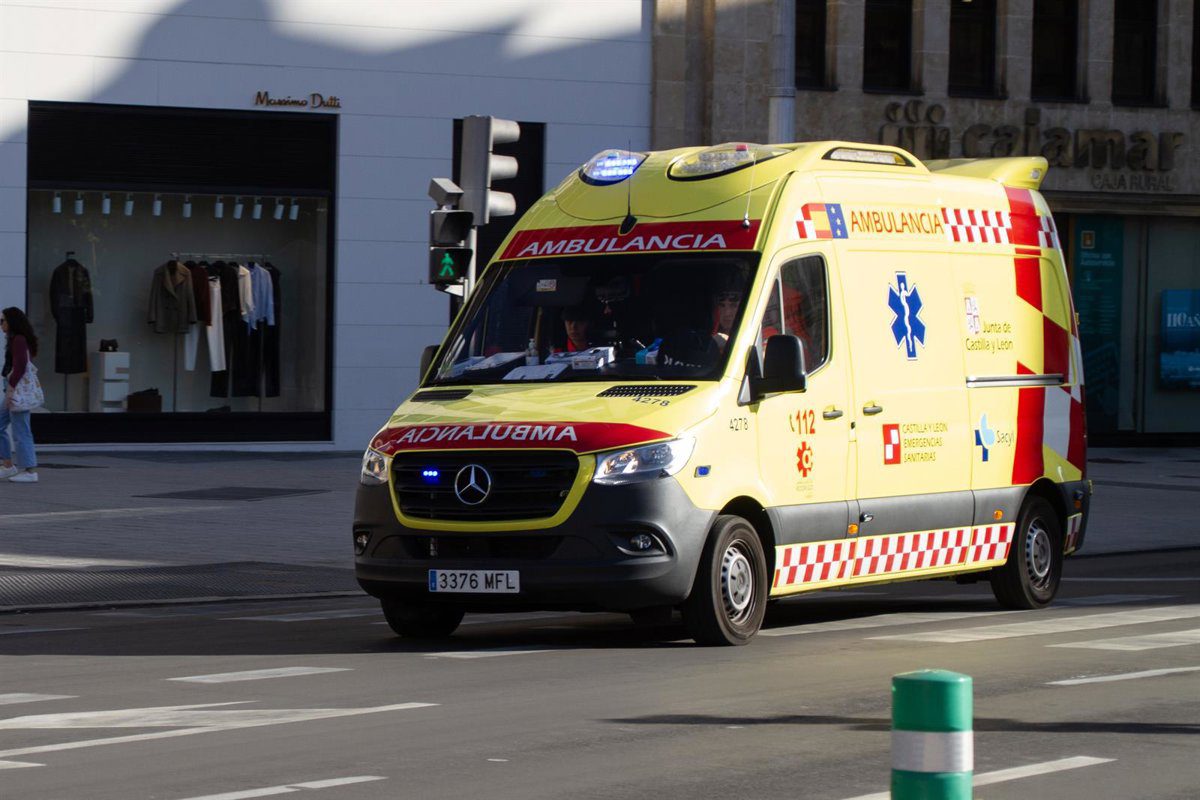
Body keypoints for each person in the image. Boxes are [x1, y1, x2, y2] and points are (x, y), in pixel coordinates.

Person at [1, 307, 39, 483]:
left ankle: (30, 470)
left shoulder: (18, 339)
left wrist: (10, 390)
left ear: (12, 322)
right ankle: (8, 466)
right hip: (12, 388)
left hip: (16, 390)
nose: (1, 324)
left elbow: (20, 366)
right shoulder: (15, 339)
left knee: (21, 430)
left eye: (3, 321)